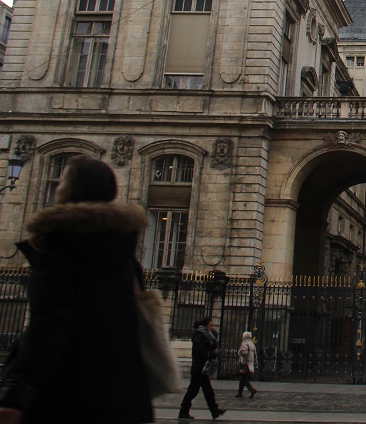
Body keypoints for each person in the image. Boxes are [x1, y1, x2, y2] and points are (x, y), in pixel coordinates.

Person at [0, 157, 153, 424]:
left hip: (66, 392)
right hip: (122, 395)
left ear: (72, 191)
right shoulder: (126, 256)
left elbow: (48, 325)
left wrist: (16, 394)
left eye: (62, 181)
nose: (57, 186)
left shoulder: (57, 246)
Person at [178, 317, 227, 420]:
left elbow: (209, 347)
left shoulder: (206, 335)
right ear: (205, 326)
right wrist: (212, 353)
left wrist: (216, 352)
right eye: (210, 326)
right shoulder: (199, 336)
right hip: (198, 368)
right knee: (193, 391)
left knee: (207, 391)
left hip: (202, 369)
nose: (212, 328)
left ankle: (214, 411)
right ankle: (183, 411)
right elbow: (201, 353)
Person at [236, 330, 259, 399]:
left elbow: (244, 352)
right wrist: (255, 364)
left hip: (244, 363)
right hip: (250, 364)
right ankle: (240, 392)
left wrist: (239, 352)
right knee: (242, 378)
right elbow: (255, 355)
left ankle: (252, 389)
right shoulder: (252, 344)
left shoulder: (245, 343)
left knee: (244, 379)